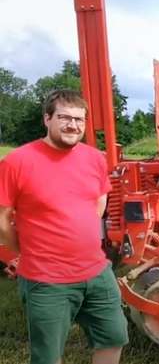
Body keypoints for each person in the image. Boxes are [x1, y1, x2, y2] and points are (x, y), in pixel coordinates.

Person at [0, 90, 128, 364]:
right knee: (48, 356)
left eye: (79, 119)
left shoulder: (94, 158)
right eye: (64, 118)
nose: (73, 125)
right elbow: (2, 218)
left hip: (96, 273)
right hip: (46, 280)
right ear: (47, 119)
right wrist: (25, 250)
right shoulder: (17, 162)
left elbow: (99, 200)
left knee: (114, 337)